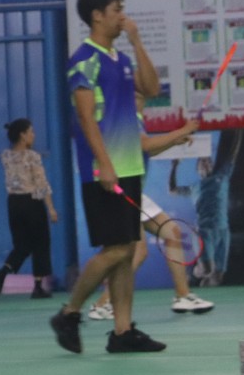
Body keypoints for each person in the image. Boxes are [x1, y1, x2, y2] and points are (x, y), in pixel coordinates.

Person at [49, 0, 166, 356]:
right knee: (115, 250)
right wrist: (104, 164)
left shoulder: (122, 59)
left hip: (130, 166)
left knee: (127, 249)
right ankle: (69, 312)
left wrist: (137, 41)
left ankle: (122, 331)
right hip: (104, 169)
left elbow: (152, 89)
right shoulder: (84, 60)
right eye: (117, 10)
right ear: (97, 16)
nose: (123, 16)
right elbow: (85, 118)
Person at [87, 115, 213, 317]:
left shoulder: (136, 116)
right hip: (120, 188)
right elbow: (145, 144)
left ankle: (183, 296)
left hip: (134, 190)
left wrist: (173, 141)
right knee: (137, 250)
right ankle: (103, 303)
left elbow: (146, 149)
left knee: (172, 233)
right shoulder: (126, 113)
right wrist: (182, 130)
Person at [0, 119, 58, 299]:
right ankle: (38, 286)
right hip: (31, 202)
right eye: (31, 132)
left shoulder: (6, 156)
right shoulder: (32, 156)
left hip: (13, 203)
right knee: (40, 243)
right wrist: (50, 208)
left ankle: (3, 272)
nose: (34, 135)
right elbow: (41, 184)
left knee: (22, 245)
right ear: (23, 135)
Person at [171, 130, 241, 287]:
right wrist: (174, 167)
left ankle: (206, 288)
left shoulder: (222, 176)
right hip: (204, 231)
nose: (205, 164)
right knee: (208, 270)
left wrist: (238, 132)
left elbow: (232, 155)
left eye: (208, 162)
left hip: (223, 230)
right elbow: (172, 190)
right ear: (198, 169)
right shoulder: (194, 187)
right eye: (202, 163)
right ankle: (195, 272)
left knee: (218, 275)